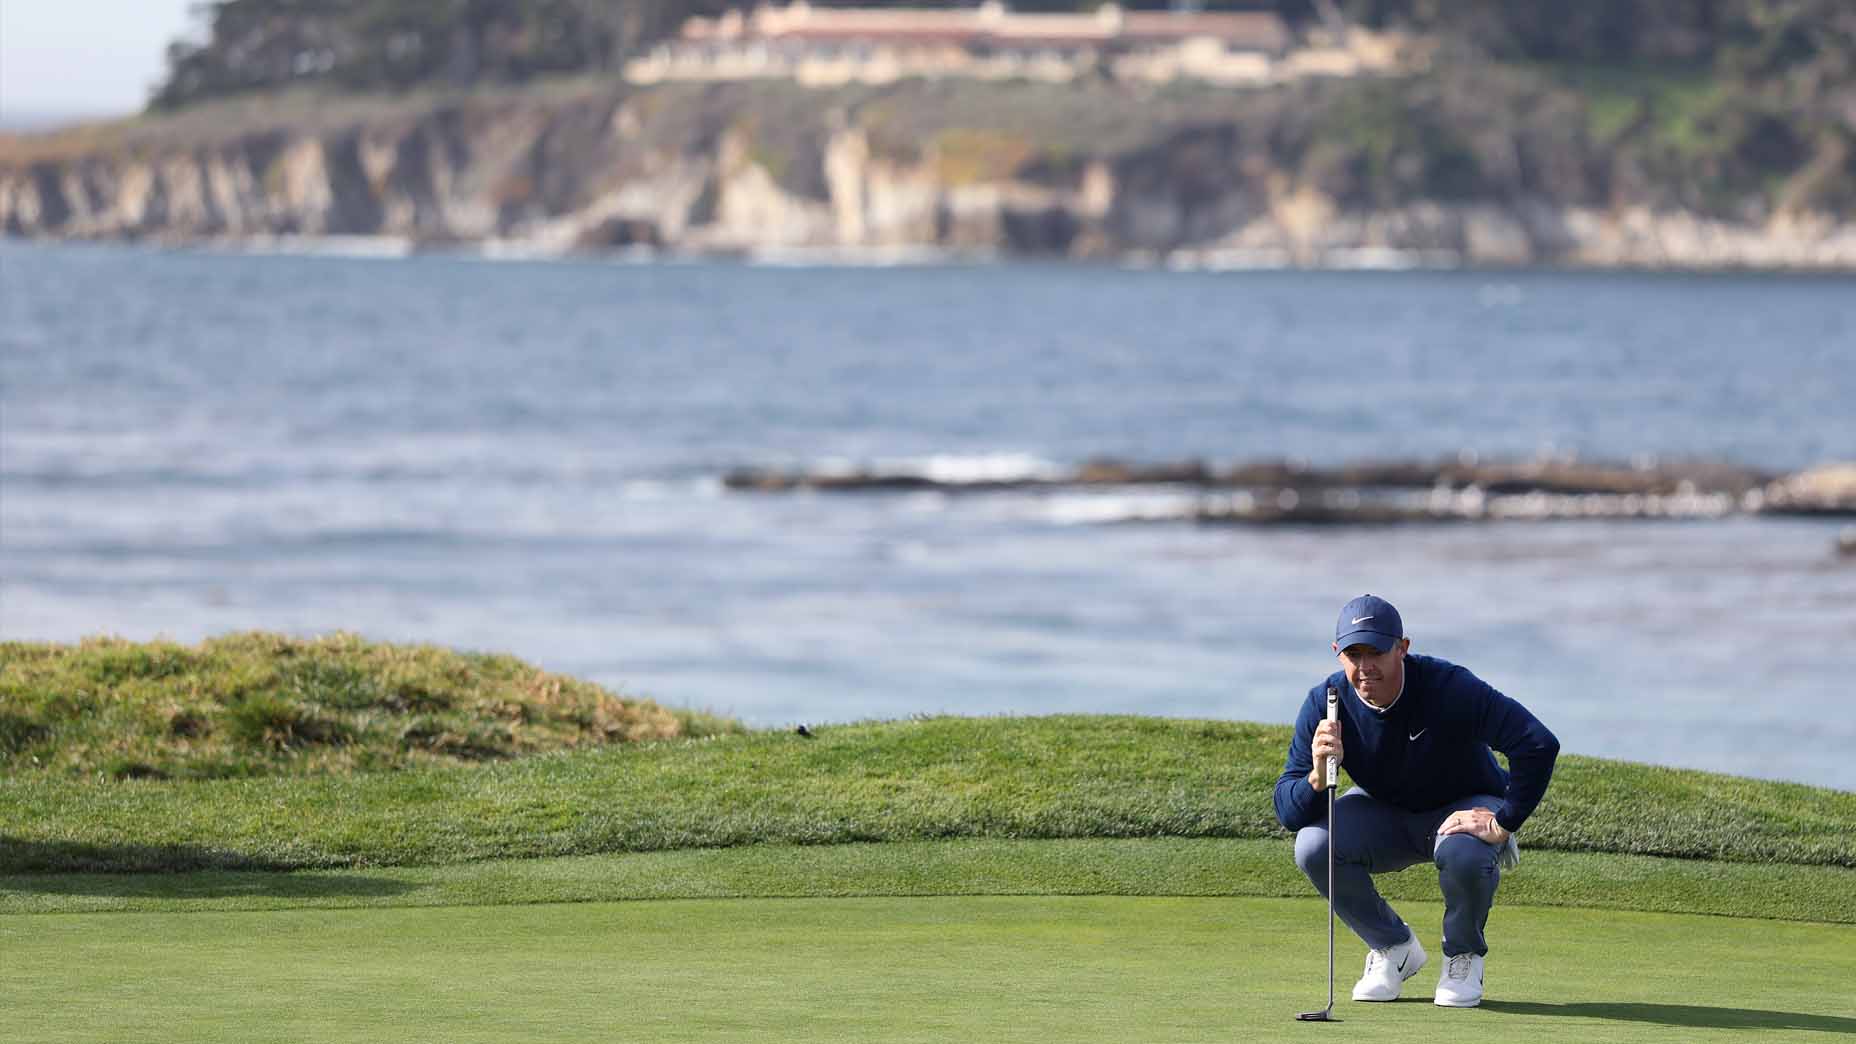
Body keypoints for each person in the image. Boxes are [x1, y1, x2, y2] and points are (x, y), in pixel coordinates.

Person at [1273, 594, 1560, 1008]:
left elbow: (1537, 743)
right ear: (1338, 655)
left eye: (1377, 651)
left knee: (1464, 854)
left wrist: (1504, 823)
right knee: (1313, 846)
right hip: (1385, 811)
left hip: (1462, 807)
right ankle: (1393, 948)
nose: (1365, 666)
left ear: (1402, 648)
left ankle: (1463, 956)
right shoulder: (1327, 702)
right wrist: (1318, 776)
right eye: (1354, 653)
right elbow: (1287, 811)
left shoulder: (1449, 687)